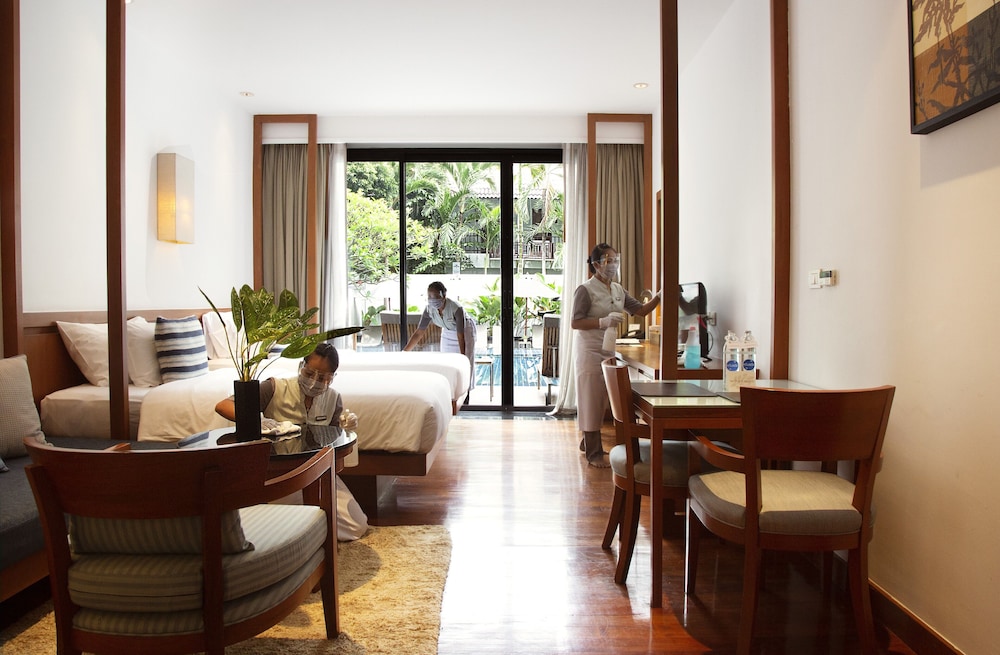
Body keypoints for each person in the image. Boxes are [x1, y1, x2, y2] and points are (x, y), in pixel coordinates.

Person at [214, 342, 368, 540]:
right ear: (301, 366)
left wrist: (343, 427)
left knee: (356, 526)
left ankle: (305, 526)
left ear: (332, 378)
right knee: (293, 525)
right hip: (279, 473)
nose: (314, 382)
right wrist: (257, 421)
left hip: (317, 472)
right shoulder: (274, 388)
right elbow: (223, 405)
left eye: (323, 378)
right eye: (309, 373)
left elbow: (332, 444)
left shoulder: (333, 399)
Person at [571, 244, 661, 468]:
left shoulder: (618, 290)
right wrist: (602, 321)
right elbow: (575, 322)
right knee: (591, 398)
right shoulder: (585, 290)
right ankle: (593, 453)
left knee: (602, 398)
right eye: (607, 260)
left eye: (615, 260)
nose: (612, 264)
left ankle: (587, 442)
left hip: (608, 348)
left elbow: (641, 310)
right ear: (596, 264)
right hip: (589, 349)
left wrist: (660, 296)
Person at [403, 281, 476, 387]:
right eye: (430, 297)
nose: (432, 300)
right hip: (447, 330)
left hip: (465, 331)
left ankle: (465, 390)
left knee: (466, 362)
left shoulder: (456, 308)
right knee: (447, 361)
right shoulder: (429, 310)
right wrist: (404, 353)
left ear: (444, 296)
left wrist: (463, 358)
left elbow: (461, 336)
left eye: (436, 297)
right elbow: (419, 332)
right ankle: (449, 389)